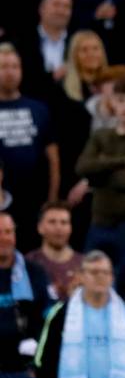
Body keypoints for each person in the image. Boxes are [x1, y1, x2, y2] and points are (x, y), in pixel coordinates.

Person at [36, 250, 125, 378]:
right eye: (94, 272)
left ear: (112, 277)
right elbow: (44, 359)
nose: (100, 277)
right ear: (80, 276)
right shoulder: (62, 314)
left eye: (105, 272)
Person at [76, 73, 125, 263]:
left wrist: (98, 173)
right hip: (100, 221)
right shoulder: (101, 135)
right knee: (90, 274)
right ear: (112, 103)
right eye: (121, 100)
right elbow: (82, 167)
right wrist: (121, 162)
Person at [0, 43, 60, 252]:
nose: (10, 72)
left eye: (15, 67)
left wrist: (52, 199)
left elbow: (53, 159)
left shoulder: (38, 109)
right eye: (4, 67)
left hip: (34, 200)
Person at [0, 212, 49, 378]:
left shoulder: (33, 272)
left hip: (24, 372)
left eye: (9, 232)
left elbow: (47, 319)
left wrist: (35, 361)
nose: (5, 238)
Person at [26, 201, 82, 301]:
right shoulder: (28, 263)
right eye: (52, 222)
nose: (58, 227)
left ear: (70, 228)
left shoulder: (84, 264)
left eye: (64, 222)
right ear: (40, 227)